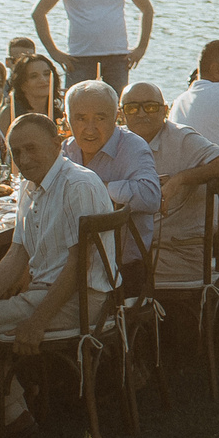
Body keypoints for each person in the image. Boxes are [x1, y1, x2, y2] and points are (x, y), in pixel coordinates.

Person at [0, 115, 117, 438]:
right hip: (52, 290)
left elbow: (79, 267)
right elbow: (18, 254)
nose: (24, 159)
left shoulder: (76, 184)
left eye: (31, 148)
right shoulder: (31, 185)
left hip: (84, 299)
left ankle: (6, 419)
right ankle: (11, 409)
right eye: (16, 152)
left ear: (57, 145)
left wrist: (38, 321)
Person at [118, 83, 219, 290]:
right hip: (132, 251)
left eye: (150, 106)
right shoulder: (117, 141)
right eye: (132, 108)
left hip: (176, 252)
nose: (141, 114)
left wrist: (181, 179)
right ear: (121, 114)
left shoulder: (181, 138)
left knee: (104, 277)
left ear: (165, 110)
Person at [62, 80, 161, 290]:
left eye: (100, 118)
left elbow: (151, 196)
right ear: (66, 119)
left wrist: (94, 187)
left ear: (117, 118)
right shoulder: (66, 150)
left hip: (123, 272)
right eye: (80, 118)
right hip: (68, 266)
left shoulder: (133, 147)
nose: (90, 129)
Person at [2, 53, 63, 136]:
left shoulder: (60, 115)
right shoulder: (8, 113)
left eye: (46, 74)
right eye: (34, 76)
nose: (43, 80)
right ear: (22, 84)